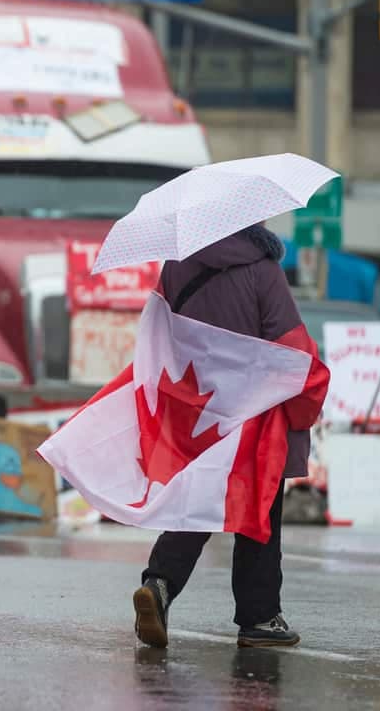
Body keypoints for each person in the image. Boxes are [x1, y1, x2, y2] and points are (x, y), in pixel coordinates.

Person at [132, 224, 315, 649]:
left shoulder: (176, 266)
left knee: (197, 502)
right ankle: (261, 617)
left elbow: (164, 331)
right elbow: (290, 343)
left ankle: (159, 584)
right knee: (259, 512)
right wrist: (305, 401)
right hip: (256, 414)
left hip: (199, 406)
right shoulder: (263, 269)